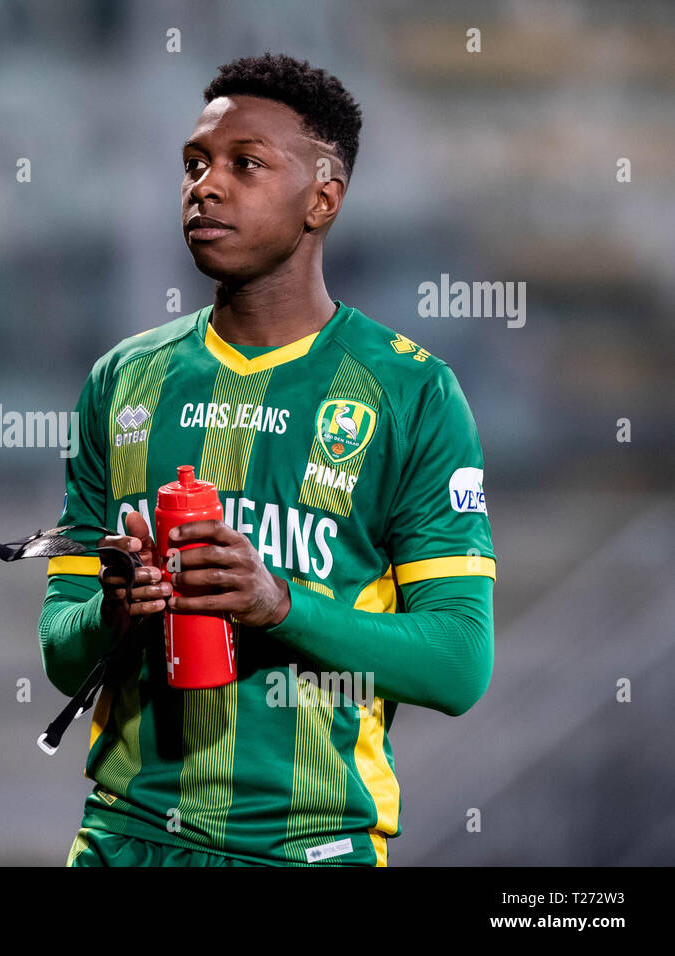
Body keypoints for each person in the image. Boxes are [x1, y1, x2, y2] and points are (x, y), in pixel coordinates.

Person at [38, 53, 496, 867]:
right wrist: (114, 614)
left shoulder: (412, 392)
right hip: (126, 838)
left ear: (323, 197)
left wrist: (280, 606)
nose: (205, 186)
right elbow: (59, 651)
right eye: (195, 163)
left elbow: (459, 664)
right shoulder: (122, 381)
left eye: (245, 164)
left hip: (312, 849)